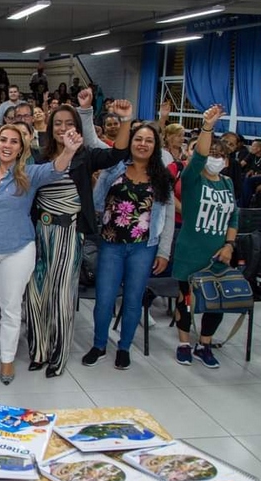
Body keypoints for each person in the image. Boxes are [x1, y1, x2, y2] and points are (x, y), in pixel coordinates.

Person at [26, 89, 131, 377]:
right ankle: (39, 350)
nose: (62, 129)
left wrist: (124, 121)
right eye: (57, 123)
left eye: (68, 123)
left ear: (77, 127)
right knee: (35, 292)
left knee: (61, 294)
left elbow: (118, 153)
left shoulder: (86, 156)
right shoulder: (38, 155)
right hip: (38, 232)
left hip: (69, 232)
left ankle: (58, 356)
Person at [0, 124, 82, 384]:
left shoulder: (29, 174)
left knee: (9, 308)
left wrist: (68, 150)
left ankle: (7, 359)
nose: (7, 145)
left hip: (18, 250)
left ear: (22, 148)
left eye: (13, 142)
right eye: (3, 140)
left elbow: (56, 169)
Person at [85, 123, 175, 369]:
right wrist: (91, 113)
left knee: (134, 299)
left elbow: (166, 219)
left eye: (149, 140)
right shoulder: (115, 167)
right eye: (138, 139)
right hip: (111, 245)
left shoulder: (162, 177)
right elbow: (92, 138)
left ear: (155, 146)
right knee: (104, 298)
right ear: (130, 142)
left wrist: (164, 252)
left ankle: (124, 347)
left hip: (143, 247)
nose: (143, 144)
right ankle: (99, 344)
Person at [171, 105, 238, 369]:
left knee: (216, 303)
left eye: (221, 155)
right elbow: (199, 156)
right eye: (212, 153)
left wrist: (230, 245)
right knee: (186, 301)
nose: (216, 158)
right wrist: (207, 128)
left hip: (218, 254)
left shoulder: (228, 183)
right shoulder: (192, 178)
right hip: (191, 252)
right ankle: (184, 343)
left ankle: (205, 344)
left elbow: (233, 217)